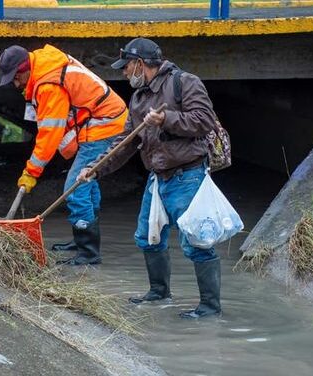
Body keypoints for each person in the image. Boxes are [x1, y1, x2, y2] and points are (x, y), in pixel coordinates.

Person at [77, 38, 222, 318]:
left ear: (140, 64)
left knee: (198, 244)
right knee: (148, 238)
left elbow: (204, 121)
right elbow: (126, 142)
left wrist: (165, 119)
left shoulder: (185, 82)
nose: (123, 72)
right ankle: (159, 293)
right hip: (158, 178)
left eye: (126, 66)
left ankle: (210, 307)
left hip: (187, 175)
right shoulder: (139, 96)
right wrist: (96, 168)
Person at [0, 44, 128, 265]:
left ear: (25, 69)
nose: (15, 83)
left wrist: (31, 173)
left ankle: (88, 252)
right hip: (102, 120)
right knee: (87, 184)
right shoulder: (42, 63)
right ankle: (82, 239)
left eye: (16, 78)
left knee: (74, 187)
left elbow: (50, 134)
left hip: (105, 125)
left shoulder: (48, 85)